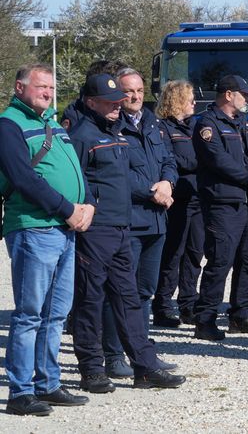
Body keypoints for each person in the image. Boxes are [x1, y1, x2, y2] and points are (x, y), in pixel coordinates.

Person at [69, 74, 185, 392]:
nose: (116, 107)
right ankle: (92, 370)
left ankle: (144, 367)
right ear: (90, 103)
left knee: (129, 300)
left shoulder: (117, 133)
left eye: (118, 101)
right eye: (109, 102)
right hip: (96, 232)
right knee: (91, 301)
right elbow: (74, 183)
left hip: (124, 228)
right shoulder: (81, 136)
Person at [0, 63, 94, 416]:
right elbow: (23, 178)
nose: (48, 93)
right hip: (35, 227)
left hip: (64, 228)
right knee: (30, 314)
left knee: (56, 313)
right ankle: (21, 392)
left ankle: (48, 383)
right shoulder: (9, 125)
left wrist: (88, 205)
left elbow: (76, 170)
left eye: (52, 88)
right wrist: (67, 209)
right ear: (19, 88)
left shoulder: (51, 123)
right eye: (41, 87)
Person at [102, 68, 177, 378]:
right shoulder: (111, 126)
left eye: (139, 91)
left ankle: (142, 354)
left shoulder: (152, 123)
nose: (134, 96)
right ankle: (113, 355)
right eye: (128, 91)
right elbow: (115, 173)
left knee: (145, 291)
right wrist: (152, 191)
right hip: (129, 221)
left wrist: (168, 183)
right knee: (119, 292)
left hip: (156, 222)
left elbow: (169, 160)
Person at [191, 75, 248, 341]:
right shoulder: (208, 124)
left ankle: (240, 315)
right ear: (228, 94)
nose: (247, 99)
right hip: (222, 203)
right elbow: (219, 160)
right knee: (220, 261)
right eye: (244, 94)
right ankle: (205, 320)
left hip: (246, 202)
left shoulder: (244, 122)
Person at [153, 80, 204, 328]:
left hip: (198, 198)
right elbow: (172, 159)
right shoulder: (162, 128)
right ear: (177, 101)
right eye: (189, 98)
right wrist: (202, 161)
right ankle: (162, 306)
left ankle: (188, 304)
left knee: (195, 253)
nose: (194, 102)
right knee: (172, 254)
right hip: (177, 201)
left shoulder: (196, 126)